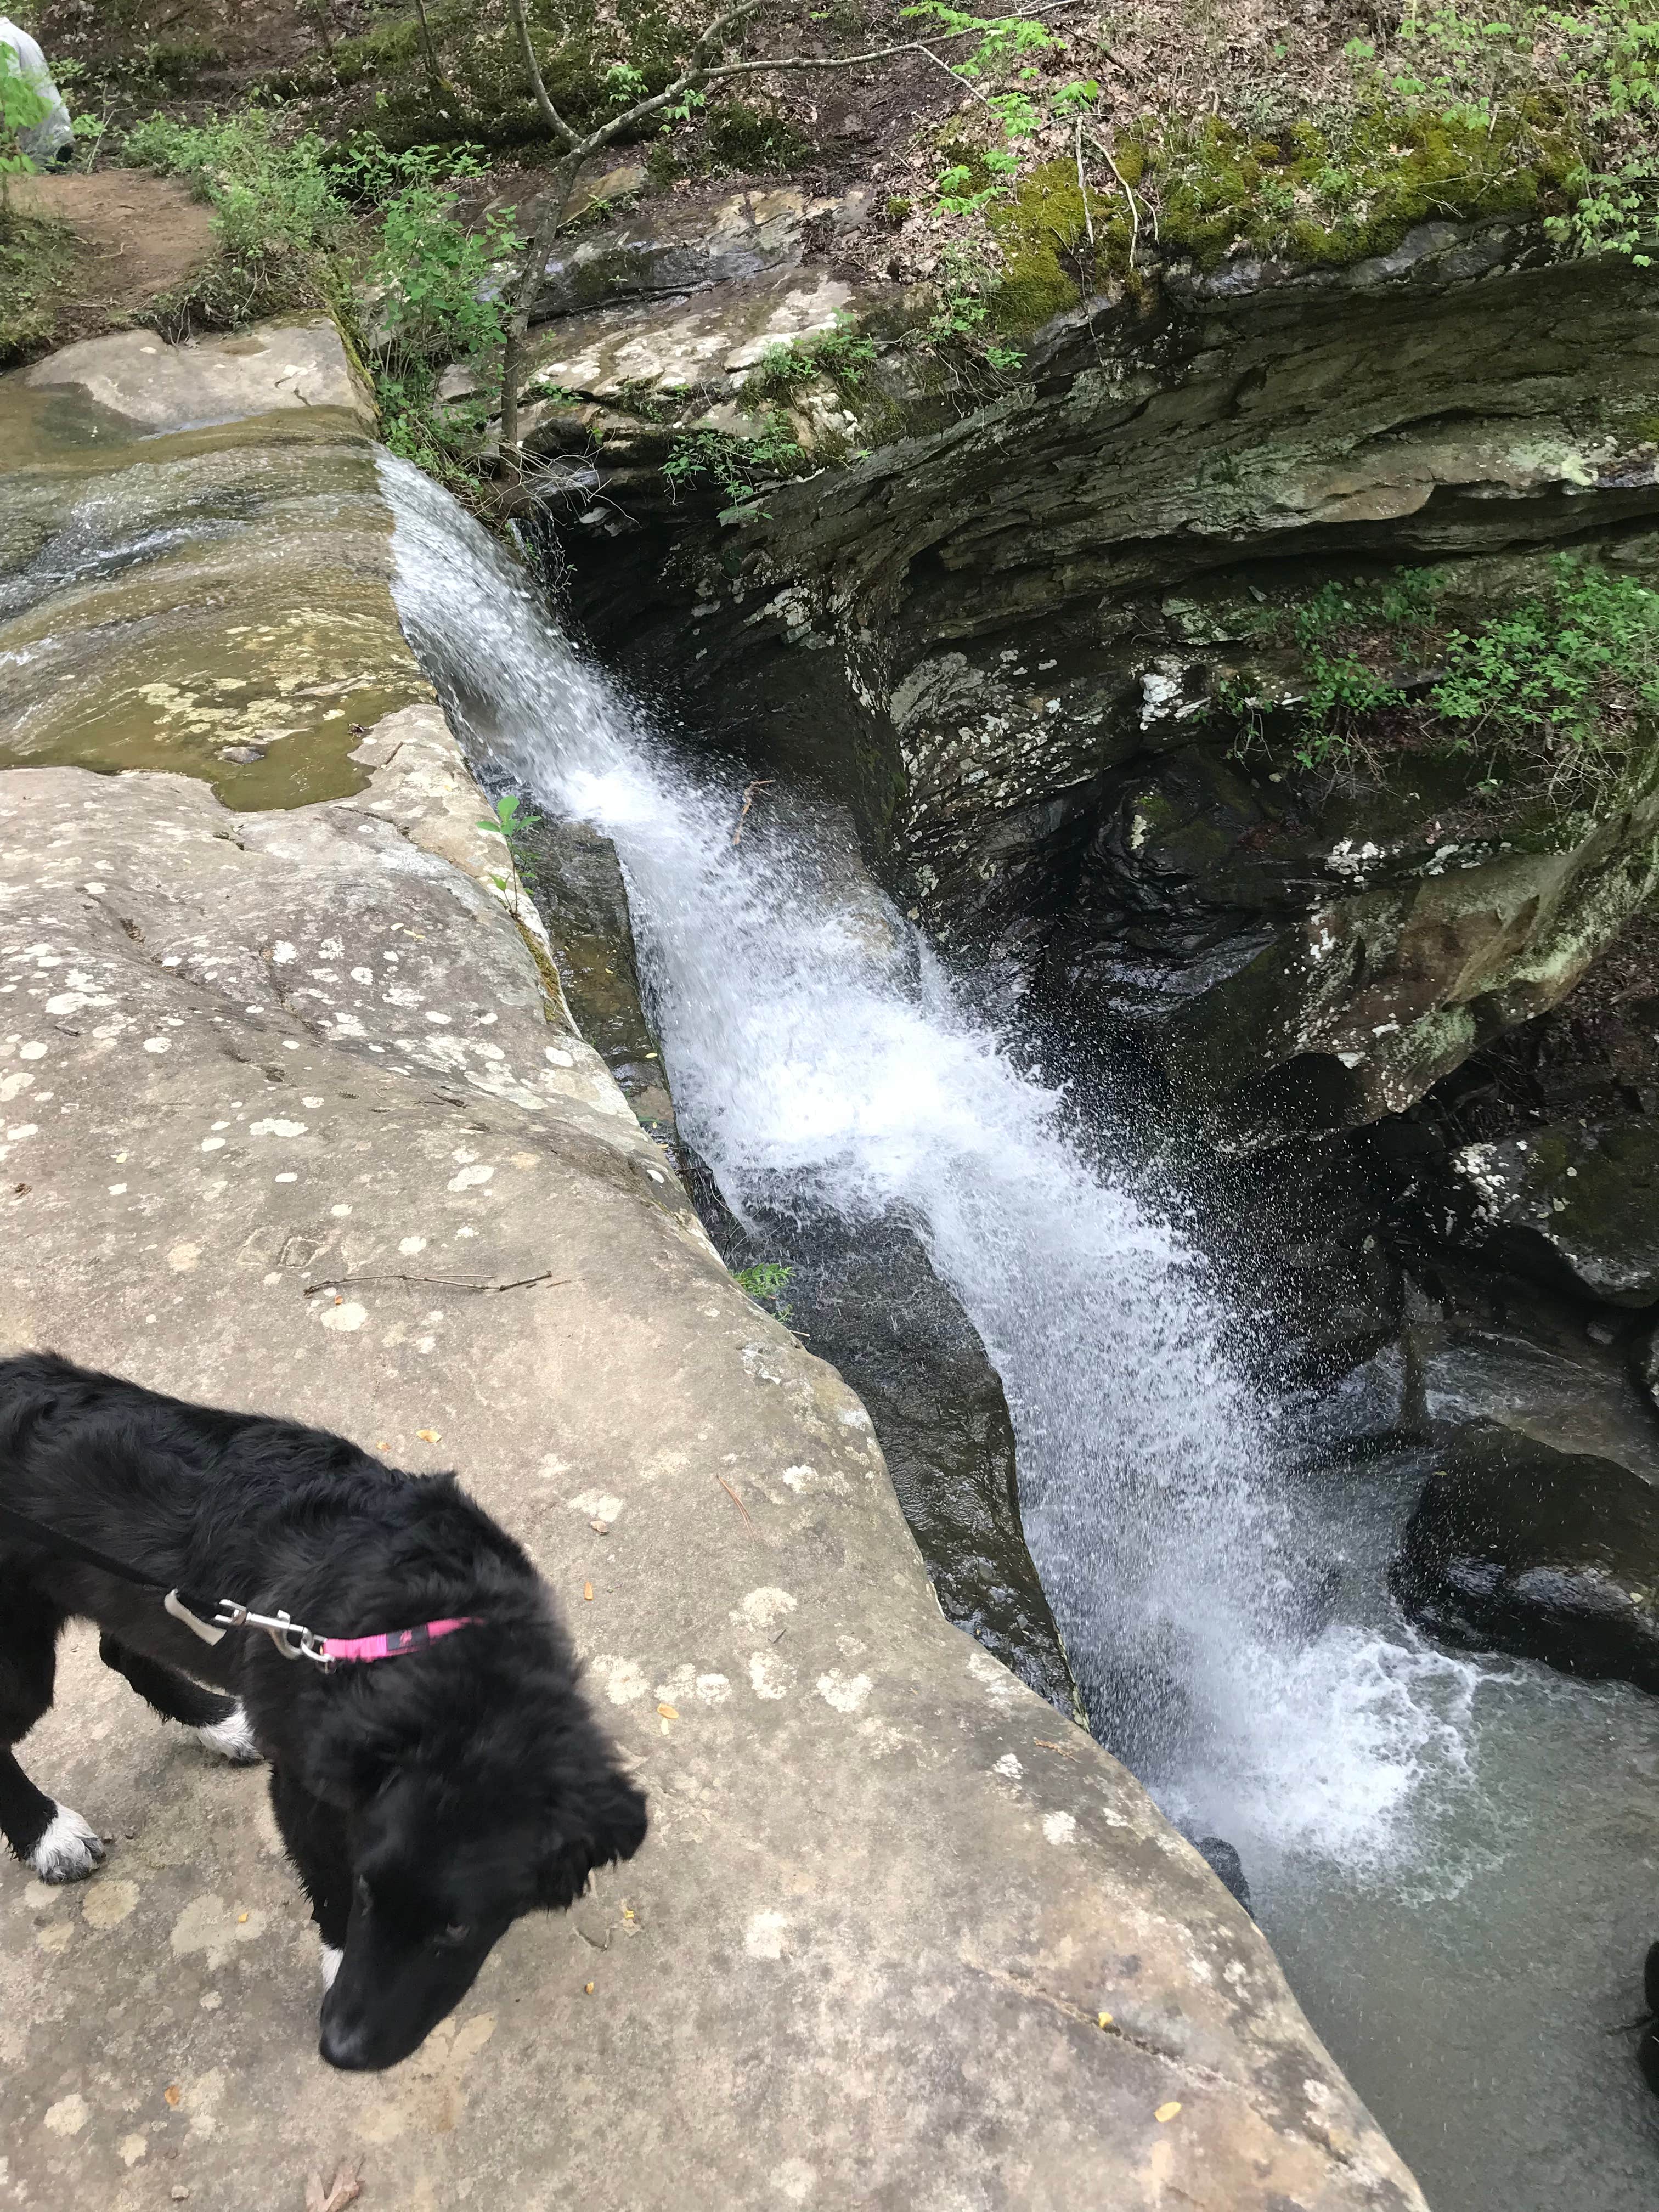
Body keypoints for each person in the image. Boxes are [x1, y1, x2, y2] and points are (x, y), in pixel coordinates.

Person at [1, 16, 74, 166]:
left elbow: (12, 91)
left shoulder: (3, 40)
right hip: (56, 131)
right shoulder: (15, 34)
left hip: (41, 143)